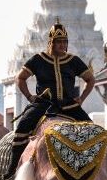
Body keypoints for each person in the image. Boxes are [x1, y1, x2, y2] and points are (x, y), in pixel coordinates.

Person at [11, 21, 95, 171]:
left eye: (64, 42)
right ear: (51, 42)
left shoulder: (73, 61)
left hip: (69, 105)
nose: (62, 45)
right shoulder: (38, 59)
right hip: (43, 105)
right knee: (22, 128)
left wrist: (81, 98)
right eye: (59, 42)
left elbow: (90, 79)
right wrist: (30, 97)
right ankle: (13, 167)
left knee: (92, 131)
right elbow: (20, 78)